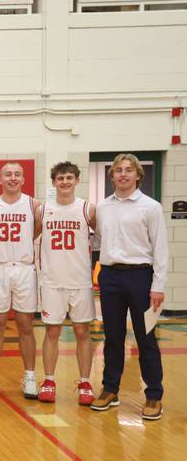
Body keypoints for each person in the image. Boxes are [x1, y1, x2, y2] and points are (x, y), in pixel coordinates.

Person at [91, 153, 168, 420]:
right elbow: (98, 241)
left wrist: (157, 285)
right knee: (112, 337)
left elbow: (160, 249)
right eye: (118, 170)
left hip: (141, 278)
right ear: (111, 175)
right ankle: (110, 389)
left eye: (128, 170)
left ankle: (154, 395)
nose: (123, 174)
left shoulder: (151, 207)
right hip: (110, 277)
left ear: (137, 175)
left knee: (146, 337)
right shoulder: (102, 207)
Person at [35, 162, 96, 406]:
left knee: (82, 331)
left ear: (77, 180)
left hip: (80, 280)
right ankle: (49, 381)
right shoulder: (43, 210)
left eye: (70, 177)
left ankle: (85, 383)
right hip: (52, 280)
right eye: (61, 178)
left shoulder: (87, 209)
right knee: (52, 331)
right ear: (53, 182)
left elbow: (100, 237)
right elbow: (33, 235)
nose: (65, 182)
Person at [0, 163, 40, 399]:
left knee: (26, 325)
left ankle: (30, 378)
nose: (12, 178)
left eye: (17, 174)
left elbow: (35, 231)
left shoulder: (33, 204)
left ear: (23, 179)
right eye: (8, 174)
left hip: (24, 269)